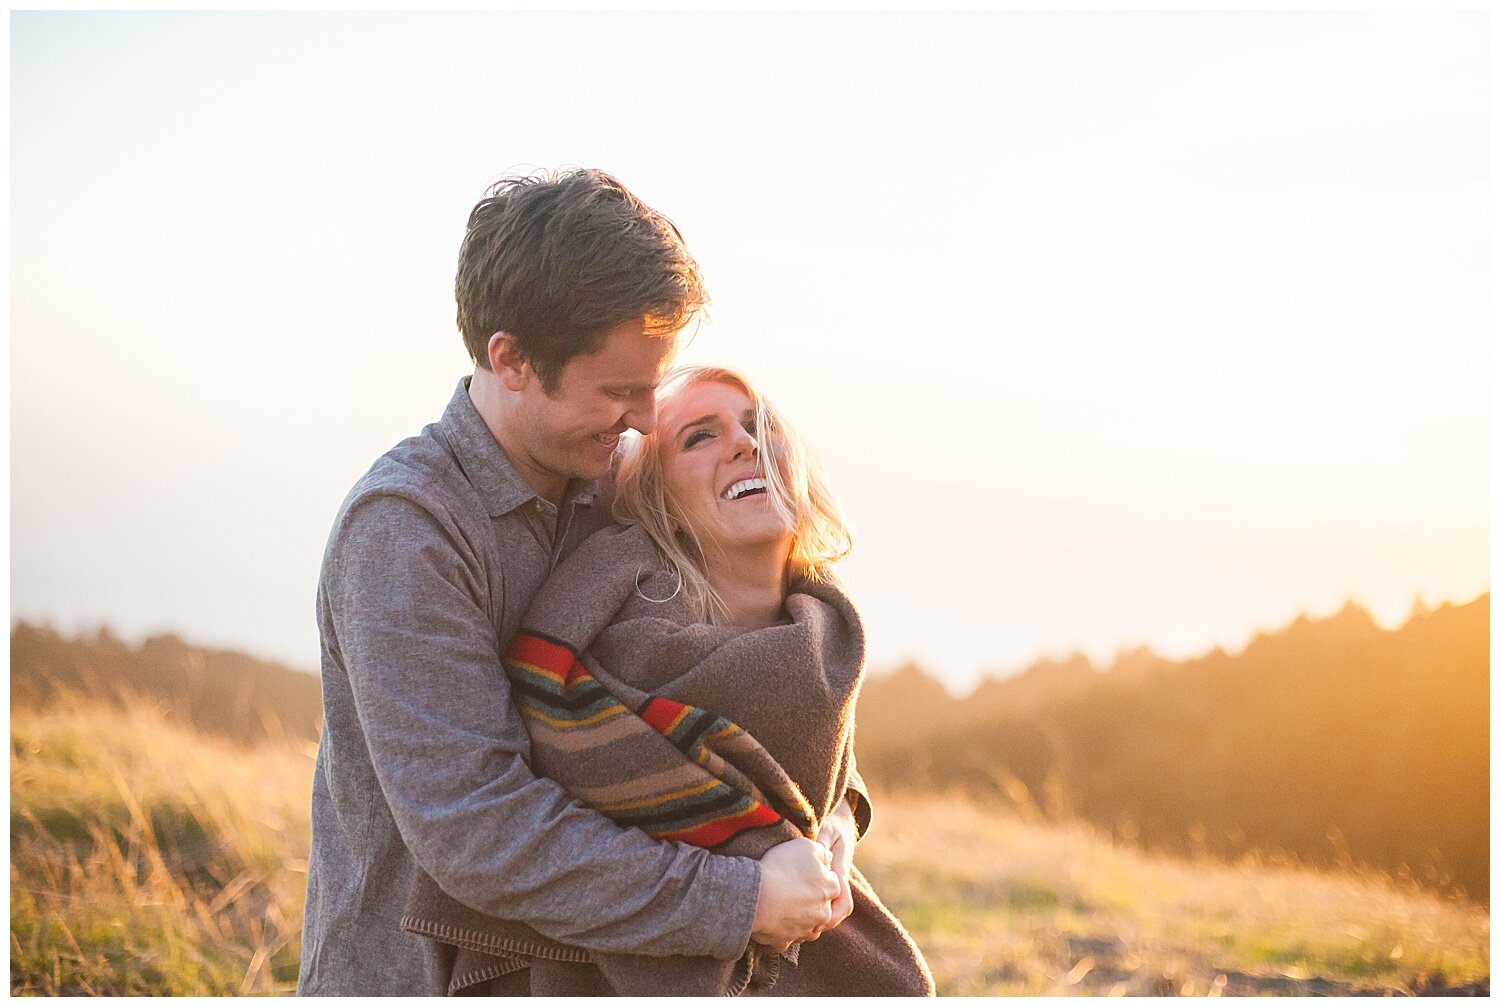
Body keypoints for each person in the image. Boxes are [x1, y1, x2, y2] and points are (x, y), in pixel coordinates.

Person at [298, 170, 864, 996]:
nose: (643, 418)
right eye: (620, 390)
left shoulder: (618, 487)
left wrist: (833, 825)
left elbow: (760, 685)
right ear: (513, 359)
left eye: (652, 385)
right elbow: (479, 828)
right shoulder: (406, 531)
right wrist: (739, 897)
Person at [403, 366, 935, 995]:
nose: (745, 443)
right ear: (661, 505)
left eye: (758, 424)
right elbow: (504, 823)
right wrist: (757, 880)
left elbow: (818, 770)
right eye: (699, 437)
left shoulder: (827, 637)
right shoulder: (620, 655)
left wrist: (835, 828)